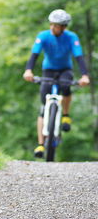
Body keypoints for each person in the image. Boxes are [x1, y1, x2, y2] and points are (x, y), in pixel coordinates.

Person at [23, 9, 90, 158]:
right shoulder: (43, 36)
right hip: (48, 70)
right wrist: (28, 70)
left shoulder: (71, 37)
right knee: (43, 105)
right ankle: (41, 144)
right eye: (52, 24)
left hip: (65, 69)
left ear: (64, 27)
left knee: (66, 86)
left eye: (57, 25)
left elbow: (79, 56)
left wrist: (85, 75)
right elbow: (34, 55)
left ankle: (65, 115)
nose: (53, 28)